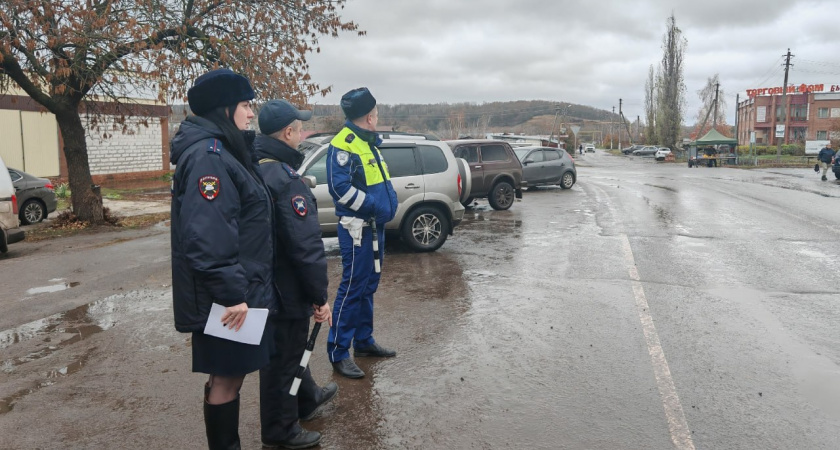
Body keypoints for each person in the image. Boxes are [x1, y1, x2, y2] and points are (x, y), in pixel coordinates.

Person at [170, 68, 276, 450]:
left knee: (229, 376)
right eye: (246, 105)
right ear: (224, 108)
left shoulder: (226, 152)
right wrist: (233, 295)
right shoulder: (209, 158)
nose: (252, 113)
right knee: (226, 379)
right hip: (228, 299)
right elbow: (207, 237)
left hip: (238, 291)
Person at [255, 100, 338, 449]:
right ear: (288, 133)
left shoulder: (256, 167)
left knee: (288, 352)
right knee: (284, 358)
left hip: (265, 282)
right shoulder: (285, 180)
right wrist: (320, 297)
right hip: (284, 289)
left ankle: (308, 397)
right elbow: (305, 249)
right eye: (300, 128)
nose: (303, 133)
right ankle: (280, 430)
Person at [325, 87, 398, 379]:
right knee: (353, 287)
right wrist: (371, 208)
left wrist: (382, 209)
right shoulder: (343, 144)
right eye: (376, 114)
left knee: (369, 285)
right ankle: (338, 351)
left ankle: (364, 341)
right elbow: (339, 189)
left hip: (374, 228)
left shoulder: (369, 143)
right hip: (358, 228)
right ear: (369, 117)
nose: (377, 118)